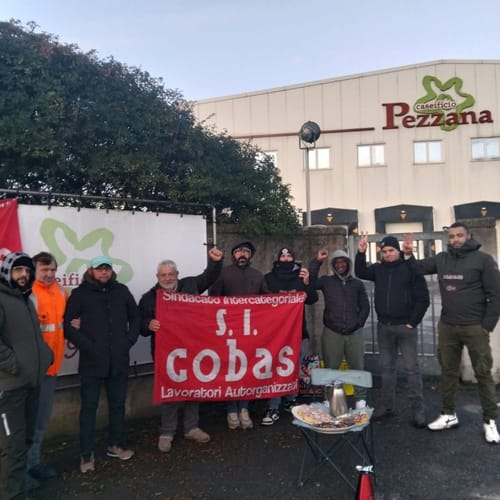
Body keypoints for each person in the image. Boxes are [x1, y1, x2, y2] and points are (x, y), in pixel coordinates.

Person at [403, 222, 500, 443]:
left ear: (468, 236)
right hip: (448, 326)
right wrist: (408, 254)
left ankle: (490, 421)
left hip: (475, 327)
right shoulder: (442, 259)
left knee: (483, 373)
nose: (455, 239)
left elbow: (496, 294)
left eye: (459, 235)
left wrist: (487, 326)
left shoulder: (483, 260)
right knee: (448, 371)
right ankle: (448, 414)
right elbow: (418, 268)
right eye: (452, 236)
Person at [138, 247, 223, 452]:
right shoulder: (149, 297)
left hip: (193, 349)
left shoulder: (191, 284)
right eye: (163, 275)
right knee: (170, 391)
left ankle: (191, 428)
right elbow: (140, 324)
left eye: (171, 274)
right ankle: (167, 432)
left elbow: (210, 276)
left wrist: (215, 262)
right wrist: (148, 324)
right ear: (158, 277)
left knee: (194, 388)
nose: (167, 278)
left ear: (177, 274)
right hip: (167, 353)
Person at [64, 256, 140, 473]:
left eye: (107, 269)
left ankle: (116, 444)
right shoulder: (80, 294)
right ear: (92, 271)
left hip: (118, 361)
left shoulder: (121, 291)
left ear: (111, 271)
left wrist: (128, 341)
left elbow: (135, 318)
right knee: (89, 408)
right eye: (99, 269)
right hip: (92, 363)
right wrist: (89, 346)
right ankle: (86, 454)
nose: (104, 273)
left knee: (118, 405)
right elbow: (67, 326)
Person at [355, 235, 430, 427]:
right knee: (387, 369)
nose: (388, 254)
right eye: (385, 251)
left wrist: (413, 322)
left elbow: (423, 298)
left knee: (412, 370)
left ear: (398, 251)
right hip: (384, 327)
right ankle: (387, 406)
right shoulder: (378, 269)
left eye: (391, 250)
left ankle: (418, 410)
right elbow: (360, 271)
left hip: (406, 327)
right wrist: (361, 252)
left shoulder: (410, 268)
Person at [0, 252, 53, 500]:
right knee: (13, 448)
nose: (23, 275)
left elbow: (33, 337)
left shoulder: (25, 299)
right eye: (18, 270)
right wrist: (16, 364)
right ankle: (12, 494)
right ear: (7, 272)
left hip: (31, 383)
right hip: (10, 389)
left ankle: (20, 487)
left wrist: (45, 354)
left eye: (27, 271)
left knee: (25, 441)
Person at [209, 241, 268, 430]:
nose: (242, 254)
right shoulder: (223, 274)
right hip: (228, 331)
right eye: (238, 251)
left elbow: (268, 301)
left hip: (250, 331)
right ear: (233, 255)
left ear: (250, 255)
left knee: (246, 370)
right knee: (231, 371)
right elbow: (213, 300)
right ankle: (231, 410)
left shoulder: (258, 275)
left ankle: (244, 408)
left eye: (246, 252)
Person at [261, 247, 318, 426]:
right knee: (276, 368)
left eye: (289, 256)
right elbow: (260, 302)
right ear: (278, 259)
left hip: (298, 331)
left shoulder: (301, 276)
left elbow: (312, 299)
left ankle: (291, 400)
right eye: (282, 256)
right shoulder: (269, 278)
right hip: (276, 333)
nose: (286, 259)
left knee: (294, 367)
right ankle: (273, 406)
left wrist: (307, 282)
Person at [26, 252, 68, 484]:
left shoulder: (61, 292)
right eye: (44, 270)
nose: (50, 274)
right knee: (27, 422)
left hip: (52, 369)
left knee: (41, 421)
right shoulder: (28, 294)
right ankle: (24, 470)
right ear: (34, 271)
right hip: (31, 371)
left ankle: (32, 465)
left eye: (52, 269)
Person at [309, 249, 370, 406]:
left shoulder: (357, 283)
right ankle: (329, 399)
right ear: (333, 265)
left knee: (357, 367)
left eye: (343, 262)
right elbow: (312, 282)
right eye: (337, 263)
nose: (340, 265)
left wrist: (358, 323)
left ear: (348, 264)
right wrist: (317, 261)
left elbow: (365, 306)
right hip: (332, 332)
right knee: (330, 368)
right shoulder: (327, 281)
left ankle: (360, 399)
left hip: (354, 333)